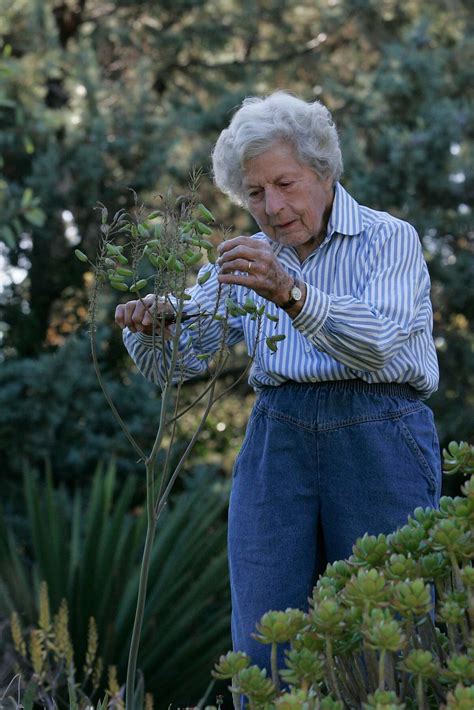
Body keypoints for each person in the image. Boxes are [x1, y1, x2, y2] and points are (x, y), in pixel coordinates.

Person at [115, 91, 441, 673]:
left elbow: (377, 344)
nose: (271, 206)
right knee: (265, 639)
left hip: (380, 433)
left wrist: (289, 295)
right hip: (278, 439)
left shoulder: (389, 239)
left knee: (388, 637)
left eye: (285, 184)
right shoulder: (248, 261)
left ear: (324, 171)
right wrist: (152, 328)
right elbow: (179, 367)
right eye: (255, 193)